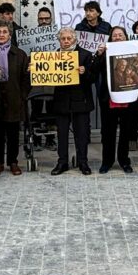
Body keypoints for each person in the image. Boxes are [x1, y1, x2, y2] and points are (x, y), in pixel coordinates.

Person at [0, 20, 30, 177]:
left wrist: (22, 96)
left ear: (10, 35)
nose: (2, 35)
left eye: (5, 32)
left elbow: (26, 78)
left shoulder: (20, 54)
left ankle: (13, 162)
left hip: (14, 98)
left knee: (13, 133)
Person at [97, 26, 138, 174]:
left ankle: (124, 160)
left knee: (125, 131)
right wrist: (99, 55)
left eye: (120, 35)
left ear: (126, 37)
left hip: (128, 99)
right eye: (114, 35)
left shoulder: (133, 51)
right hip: (109, 99)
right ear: (111, 38)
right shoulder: (105, 52)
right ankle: (107, 162)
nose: (117, 37)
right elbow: (94, 70)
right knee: (108, 132)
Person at [50, 27, 95, 175]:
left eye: (69, 38)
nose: (66, 41)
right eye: (63, 39)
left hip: (80, 101)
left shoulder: (86, 55)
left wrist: (85, 72)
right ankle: (62, 162)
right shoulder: (53, 56)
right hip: (61, 101)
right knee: (61, 134)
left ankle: (83, 162)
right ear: (59, 40)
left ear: (75, 39)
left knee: (81, 134)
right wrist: (36, 69)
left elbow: (93, 78)